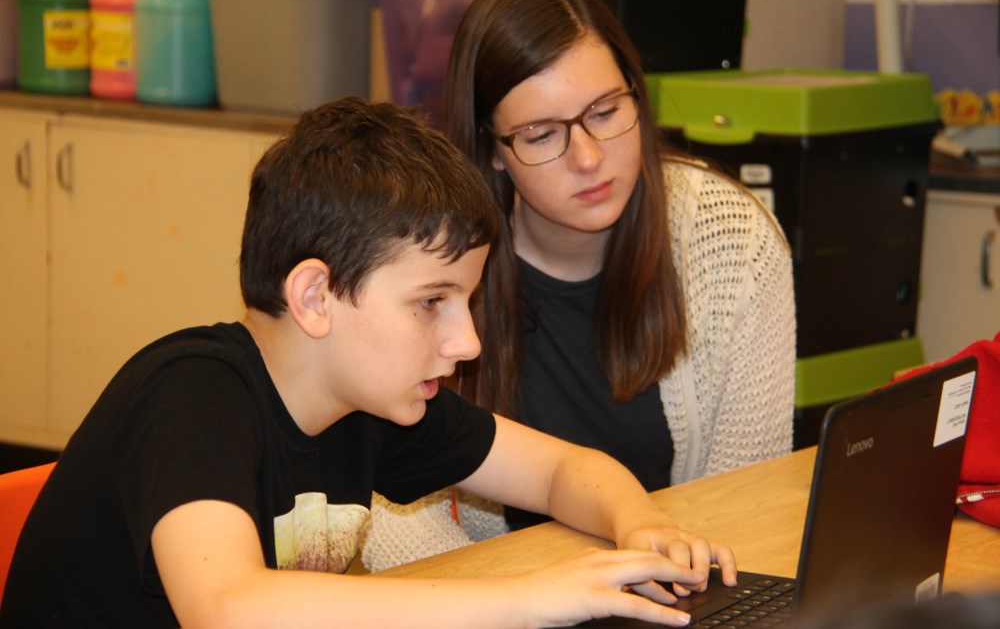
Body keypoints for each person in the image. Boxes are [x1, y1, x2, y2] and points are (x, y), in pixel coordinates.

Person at [0, 96, 737, 629]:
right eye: (432, 303)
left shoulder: (370, 400)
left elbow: (558, 470)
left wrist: (640, 524)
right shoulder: (192, 395)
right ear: (316, 295)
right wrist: (531, 596)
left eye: (467, 302)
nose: (467, 341)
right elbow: (229, 607)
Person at [363, 0, 796, 570]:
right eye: (542, 135)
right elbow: (380, 497)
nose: (589, 158)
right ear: (491, 148)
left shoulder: (732, 240)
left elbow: (748, 498)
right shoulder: (428, 269)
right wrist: (516, 604)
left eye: (604, 111)